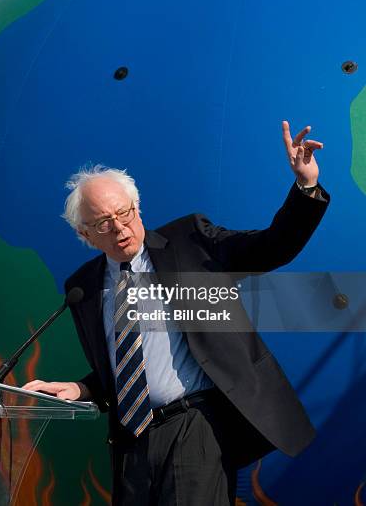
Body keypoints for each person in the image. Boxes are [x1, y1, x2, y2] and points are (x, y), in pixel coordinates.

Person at [23, 121, 329, 505]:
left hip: (195, 426)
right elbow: (129, 363)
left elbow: (272, 247)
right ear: (85, 234)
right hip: (130, 440)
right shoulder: (83, 288)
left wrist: (304, 187)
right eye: (103, 222)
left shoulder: (190, 241)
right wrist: (82, 389)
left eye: (125, 212)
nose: (119, 227)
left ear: (138, 207)